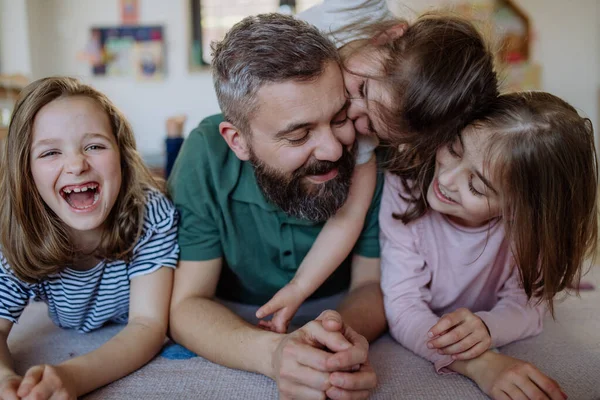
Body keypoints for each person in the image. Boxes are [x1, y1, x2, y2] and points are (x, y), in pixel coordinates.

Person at [255, 2, 499, 334]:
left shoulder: (360, 139)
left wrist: (299, 287)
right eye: (363, 90)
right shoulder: (356, 13)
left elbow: (348, 219)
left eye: (370, 124)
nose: (351, 111)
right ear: (386, 36)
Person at [380, 91, 598, 400]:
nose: (447, 178)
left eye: (476, 186)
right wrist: (479, 362)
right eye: (454, 149)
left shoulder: (524, 229)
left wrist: (487, 325)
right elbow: (402, 306)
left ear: (518, 211)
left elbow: (526, 309)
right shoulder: (404, 185)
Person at [0, 77, 179, 400]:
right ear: (25, 171)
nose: (76, 165)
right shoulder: (19, 234)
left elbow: (148, 325)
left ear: (121, 156)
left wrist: (73, 376)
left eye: (94, 146)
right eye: (51, 152)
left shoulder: (149, 214)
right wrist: (4, 379)